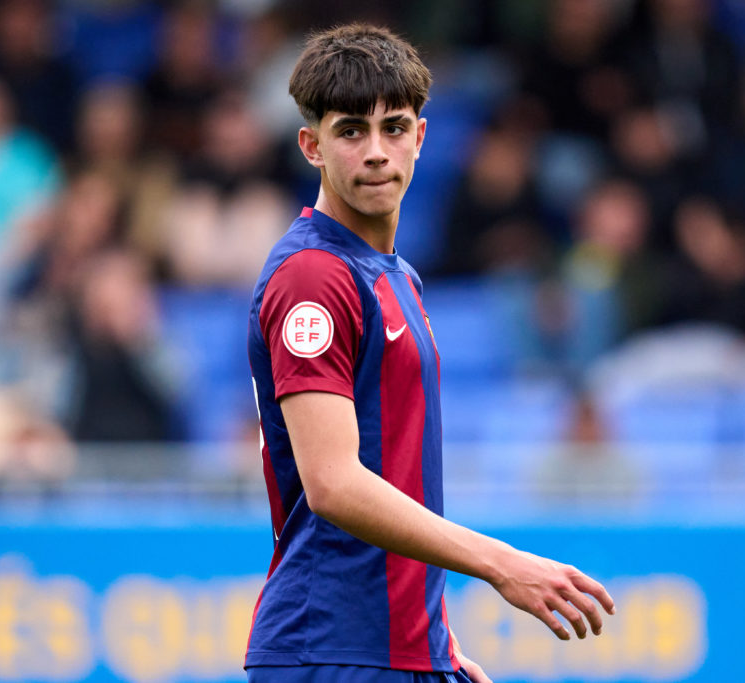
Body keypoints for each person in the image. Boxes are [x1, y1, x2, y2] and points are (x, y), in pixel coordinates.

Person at [245, 24, 615, 683]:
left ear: (421, 137)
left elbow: (400, 472)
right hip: (331, 649)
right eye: (351, 131)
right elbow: (332, 482)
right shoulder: (314, 277)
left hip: (394, 647)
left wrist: (431, 637)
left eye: (394, 127)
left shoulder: (396, 276)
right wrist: (502, 563)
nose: (377, 151)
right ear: (312, 145)